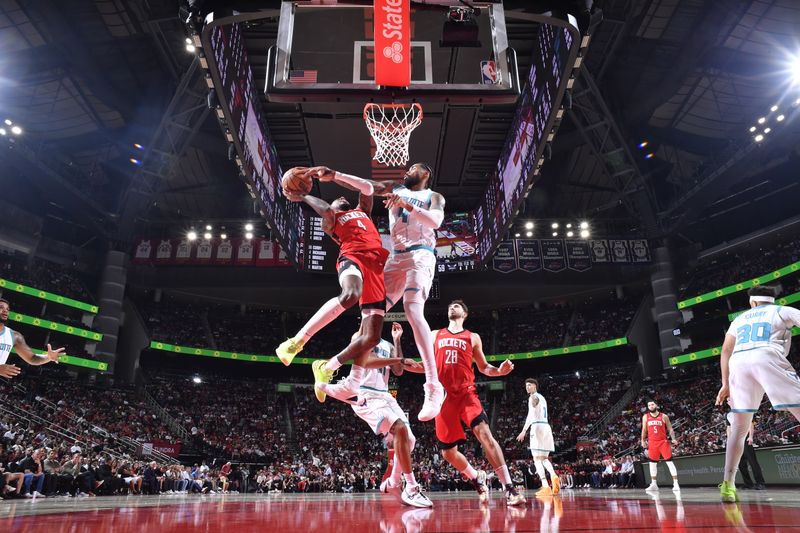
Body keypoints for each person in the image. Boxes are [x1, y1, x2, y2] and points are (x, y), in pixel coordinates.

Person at [283, 163, 447, 421]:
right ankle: (349, 379)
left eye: (414, 167)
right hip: (394, 258)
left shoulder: (433, 196)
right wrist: (335, 174)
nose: (407, 170)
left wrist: (406, 206)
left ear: (426, 173)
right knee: (368, 323)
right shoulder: (394, 188)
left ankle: (433, 386)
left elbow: (436, 221)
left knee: (412, 310)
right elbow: (368, 187)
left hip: (420, 255)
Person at [275, 170, 397, 401]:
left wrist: (336, 175)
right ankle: (296, 342)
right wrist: (302, 195)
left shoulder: (363, 211)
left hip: (376, 268)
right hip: (353, 259)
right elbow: (326, 210)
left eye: (343, 197)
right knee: (351, 294)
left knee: (371, 338)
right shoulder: (331, 222)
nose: (341, 198)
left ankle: (327, 367)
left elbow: (367, 189)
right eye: (336, 198)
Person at [316, 322, 431, 508]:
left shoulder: (388, 345)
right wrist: (397, 360)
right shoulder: (359, 337)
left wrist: (397, 340)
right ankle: (411, 487)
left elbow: (399, 371)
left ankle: (392, 483)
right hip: (366, 393)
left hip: (385, 395)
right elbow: (367, 361)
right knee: (399, 428)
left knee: (410, 441)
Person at [430, 299, 526, 506]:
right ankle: (475, 477)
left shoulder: (472, 337)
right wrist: (402, 363)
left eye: (456, 306)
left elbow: (483, 367)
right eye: (450, 306)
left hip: (466, 394)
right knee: (447, 453)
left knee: (484, 433)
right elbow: (427, 366)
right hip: (443, 397)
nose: (452, 307)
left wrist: (498, 371)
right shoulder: (434, 335)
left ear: (464, 314)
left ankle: (508, 488)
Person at [715, 285, 800, 503]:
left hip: (738, 364)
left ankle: (728, 484)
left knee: (739, 428)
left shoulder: (740, 319)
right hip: (766, 356)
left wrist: (725, 383)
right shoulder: (782, 310)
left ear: (752, 302)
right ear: (771, 300)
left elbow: (725, 350)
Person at [0, 298, 64, 378]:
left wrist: (48, 357)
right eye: (1, 307)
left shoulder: (14, 336)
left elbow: (32, 358)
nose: (5, 311)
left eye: (7, 309)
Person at [516, 378, 559, 496]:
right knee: (544, 458)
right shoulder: (543, 398)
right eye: (526, 386)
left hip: (537, 427)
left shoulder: (533, 397)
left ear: (535, 386)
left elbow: (530, 415)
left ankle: (545, 486)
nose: (527, 387)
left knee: (536, 459)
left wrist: (524, 430)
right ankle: (554, 475)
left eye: (529, 385)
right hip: (546, 427)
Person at [640, 400, 680, 492]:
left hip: (663, 442)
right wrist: (642, 440)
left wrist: (673, 438)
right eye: (649, 405)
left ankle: (676, 483)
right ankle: (654, 484)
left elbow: (670, 428)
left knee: (669, 462)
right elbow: (644, 429)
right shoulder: (645, 417)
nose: (651, 406)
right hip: (652, 443)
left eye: (652, 404)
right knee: (652, 464)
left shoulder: (664, 416)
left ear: (656, 405)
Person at [724, 405, 766, 490]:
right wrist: (729, 440)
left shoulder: (742, 410)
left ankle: (760, 483)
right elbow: (729, 428)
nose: (729, 401)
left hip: (745, 436)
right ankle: (748, 483)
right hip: (735, 439)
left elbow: (750, 424)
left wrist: (750, 436)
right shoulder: (728, 414)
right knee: (741, 463)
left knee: (752, 461)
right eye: (728, 400)